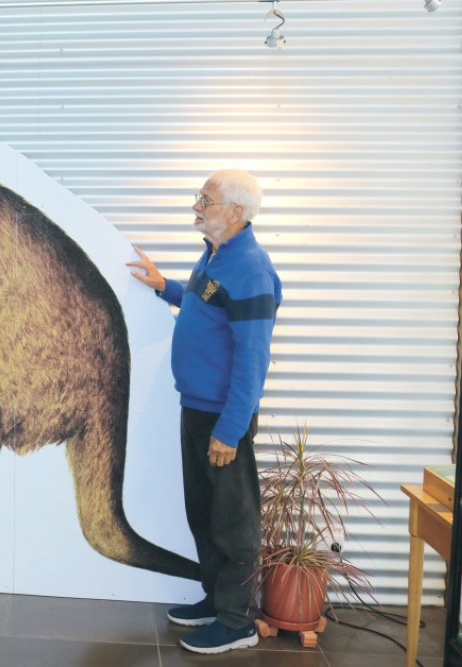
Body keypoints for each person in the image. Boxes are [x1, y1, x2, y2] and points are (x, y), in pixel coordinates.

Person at [127, 169, 281, 655]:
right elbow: (203, 304)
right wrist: (164, 286)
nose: (196, 205)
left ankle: (237, 621)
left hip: (222, 420)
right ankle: (217, 601)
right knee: (204, 513)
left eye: (206, 199)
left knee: (235, 523)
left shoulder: (252, 269)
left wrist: (230, 430)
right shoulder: (216, 254)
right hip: (196, 409)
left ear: (235, 213)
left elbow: (253, 362)